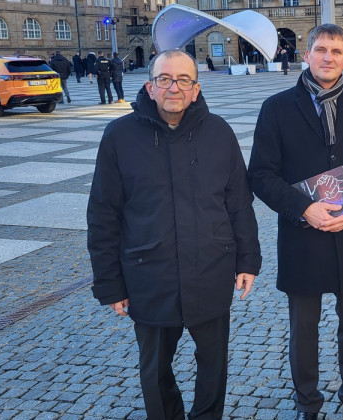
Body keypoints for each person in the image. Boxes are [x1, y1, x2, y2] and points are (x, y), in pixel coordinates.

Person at [87, 49, 262, 420]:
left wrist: (248, 260)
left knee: (213, 366)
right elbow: (103, 215)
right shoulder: (119, 136)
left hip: (210, 269)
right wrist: (110, 283)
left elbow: (239, 203)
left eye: (183, 80)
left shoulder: (219, 132)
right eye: (165, 79)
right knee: (154, 371)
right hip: (150, 273)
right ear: (150, 87)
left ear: (195, 89)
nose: (174, 87)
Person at [248, 23, 343, 420]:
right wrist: (302, 208)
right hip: (302, 236)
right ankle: (307, 404)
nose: (328, 58)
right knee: (304, 331)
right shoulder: (276, 108)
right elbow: (260, 174)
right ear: (306, 54)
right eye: (321, 50)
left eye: (337, 52)